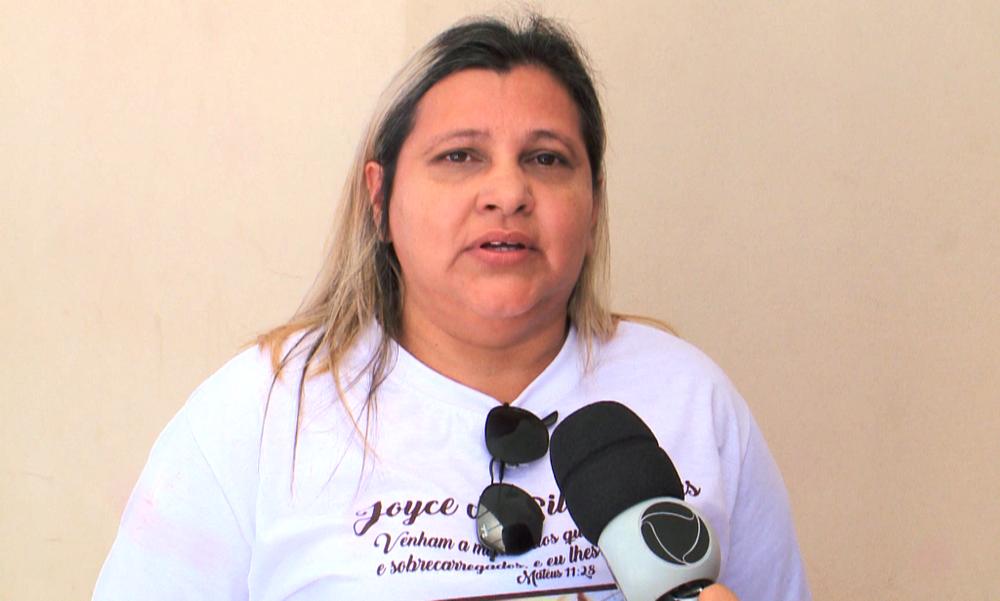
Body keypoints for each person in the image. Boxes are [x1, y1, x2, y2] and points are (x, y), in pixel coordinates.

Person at [93, 14, 810, 601]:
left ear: (593, 207)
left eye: (547, 158)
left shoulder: (690, 396)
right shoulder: (258, 414)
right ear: (379, 199)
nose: (508, 194)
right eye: (460, 156)